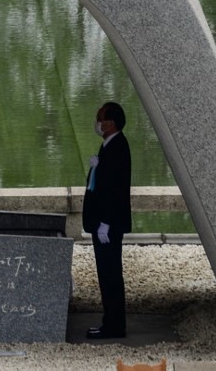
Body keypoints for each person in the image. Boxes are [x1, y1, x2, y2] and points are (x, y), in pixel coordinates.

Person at [82, 101, 132, 339]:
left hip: (108, 226)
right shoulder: (109, 145)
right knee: (107, 274)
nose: (97, 123)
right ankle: (110, 322)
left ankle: (113, 326)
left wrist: (106, 222)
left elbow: (116, 190)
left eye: (100, 118)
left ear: (110, 123)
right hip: (104, 223)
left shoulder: (118, 147)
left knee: (111, 274)